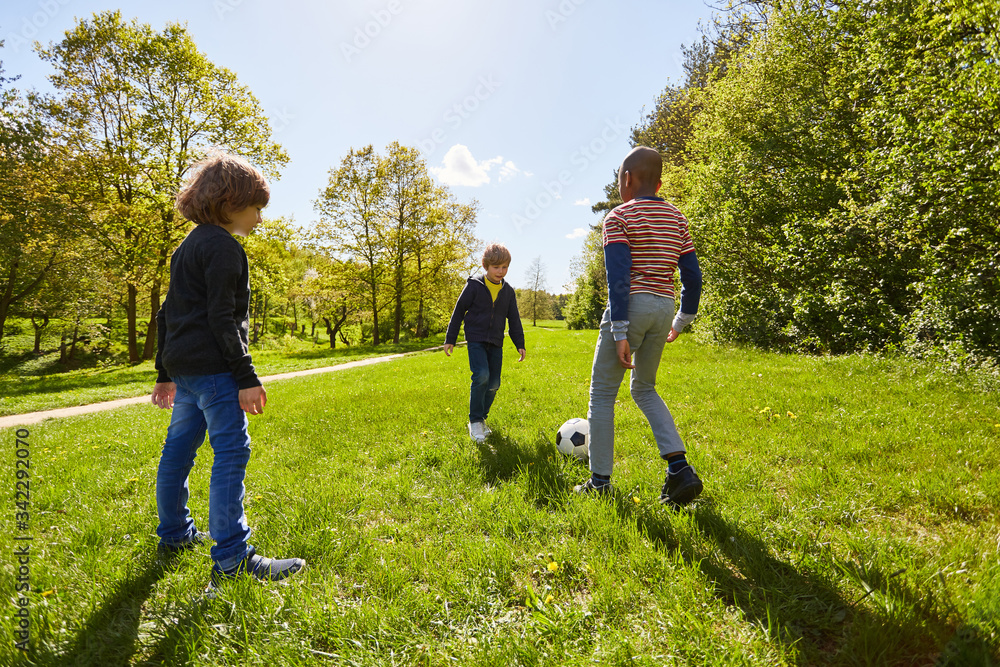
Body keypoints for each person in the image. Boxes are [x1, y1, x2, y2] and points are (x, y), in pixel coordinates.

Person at [151, 153, 305, 587]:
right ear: (229, 201)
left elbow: (167, 314)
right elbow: (223, 319)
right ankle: (233, 558)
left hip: (185, 371)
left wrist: (165, 371)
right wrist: (246, 377)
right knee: (231, 453)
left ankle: (176, 535)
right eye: (256, 207)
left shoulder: (186, 247)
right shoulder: (224, 249)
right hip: (216, 371)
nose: (259, 217)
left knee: (177, 453)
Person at [574, 146, 704, 507]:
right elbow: (692, 278)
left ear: (627, 180)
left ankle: (600, 482)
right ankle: (679, 469)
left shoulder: (619, 217)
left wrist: (619, 331)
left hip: (630, 306)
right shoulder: (677, 218)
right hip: (664, 307)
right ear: (659, 184)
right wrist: (682, 319)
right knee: (644, 389)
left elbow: (618, 279)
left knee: (602, 394)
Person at [444, 243, 526, 443]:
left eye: (505, 267)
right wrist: (450, 338)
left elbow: (514, 319)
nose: (501, 271)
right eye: (496, 267)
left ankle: (482, 419)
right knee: (481, 375)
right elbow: (458, 311)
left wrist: (520, 343)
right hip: (476, 339)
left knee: (494, 384)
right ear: (486, 266)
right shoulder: (474, 285)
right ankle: (474, 421)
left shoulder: (508, 292)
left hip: (496, 341)